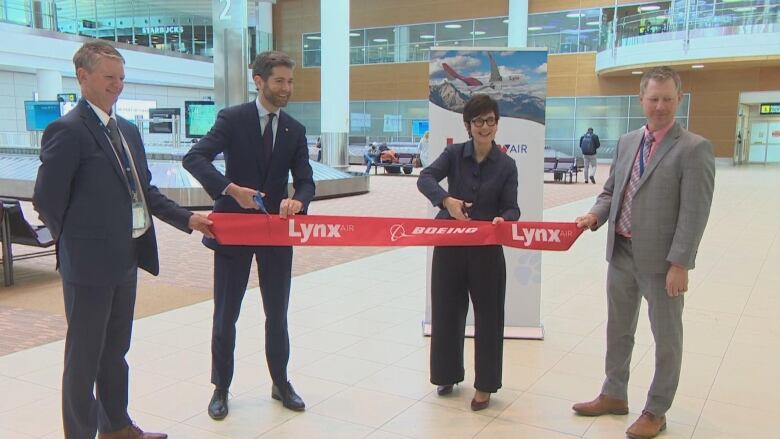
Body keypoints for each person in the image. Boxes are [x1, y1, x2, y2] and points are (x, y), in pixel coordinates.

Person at [32, 40, 213, 439]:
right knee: (83, 359)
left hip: (125, 258)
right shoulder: (67, 130)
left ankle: (116, 427)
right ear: (83, 77)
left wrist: (188, 218)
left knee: (115, 352)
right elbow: (46, 201)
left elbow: (143, 191)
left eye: (122, 78)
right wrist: (77, 244)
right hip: (88, 265)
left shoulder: (126, 130)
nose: (118, 86)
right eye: (109, 78)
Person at [572, 66, 715, 439]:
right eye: (653, 99)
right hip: (620, 250)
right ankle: (614, 393)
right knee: (618, 329)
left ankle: (656, 409)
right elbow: (611, 191)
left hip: (662, 261)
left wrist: (681, 263)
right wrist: (594, 215)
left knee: (666, 337)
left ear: (679, 99)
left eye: (668, 99)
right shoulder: (626, 141)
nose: (660, 106)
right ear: (641, 100)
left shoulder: (694, 148)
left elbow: (694, 212)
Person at [183, 50, 315, 420]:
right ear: (259, 81)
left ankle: (280, 382)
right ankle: (221, 387)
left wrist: (298, 202)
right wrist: (228, 188)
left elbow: (305, 182)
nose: (286, 88)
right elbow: (195, 158)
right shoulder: (232, 119)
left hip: (275, 232)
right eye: (279, 81)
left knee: (278, 313)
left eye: (290, 81)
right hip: (234, 230)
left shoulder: (295, 130)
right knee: (226, 313)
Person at [417, 94, 519, 412]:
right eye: (478, 121)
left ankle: (486, 385)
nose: (484, 127)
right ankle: (446, 375)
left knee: (489, 317)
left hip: (487, 251)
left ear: (497, 124)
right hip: (449, 245)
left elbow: (512, 207)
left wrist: (505, 220)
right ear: (467, 125)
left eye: (490, 120)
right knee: (447, 312)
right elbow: (425, 178)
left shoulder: (507, 164)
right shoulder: (453, 154)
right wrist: (446, 201)